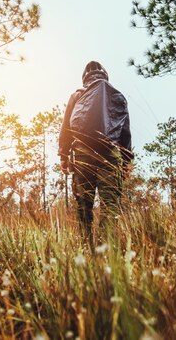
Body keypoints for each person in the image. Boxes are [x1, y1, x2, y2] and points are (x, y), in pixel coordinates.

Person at [58, 61, 133, 243]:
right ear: (106, 75)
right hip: (111, 156)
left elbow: (66, 127)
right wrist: (126, 161)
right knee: (110, 205)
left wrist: (64, 156)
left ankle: (86, 246)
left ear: (85, 78)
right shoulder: (118, 96)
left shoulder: (77, 95)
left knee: (84, 205)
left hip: (83, 154)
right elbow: (124, 131)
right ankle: (106, 248)